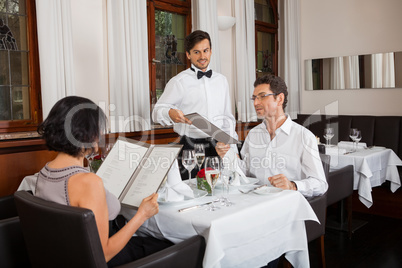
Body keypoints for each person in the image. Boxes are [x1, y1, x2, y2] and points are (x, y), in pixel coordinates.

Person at [35, 96, 173, 267]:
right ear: (86, 133)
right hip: (99, 259)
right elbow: (102, 254)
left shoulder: (45, 172)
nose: (101, 135)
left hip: (65, 256)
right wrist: (142, 215)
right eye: (98, 129)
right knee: (176, 243)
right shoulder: (88, 183)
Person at [216, 74, 328, 197]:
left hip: (285, 205)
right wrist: (227, 155)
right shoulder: (253, 134)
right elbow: (244, 174)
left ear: (279, 99)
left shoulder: (304, 137)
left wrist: (293, 185)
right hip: (252, 201)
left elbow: (320, 184)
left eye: (262, 96)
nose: (256, 103)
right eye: (254, 98)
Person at [152, 30, 238, 179]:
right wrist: (169, 113)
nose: (202, 56)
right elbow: (156, 111)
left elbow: (227, 118)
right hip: (189, 147)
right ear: (188, 54)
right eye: (196, 52)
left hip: (218, 146)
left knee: (218, 191)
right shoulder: (178, 82)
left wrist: (232, 147)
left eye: (205, 51)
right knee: (192, 193)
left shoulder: (222, 81)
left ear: (211, 51)